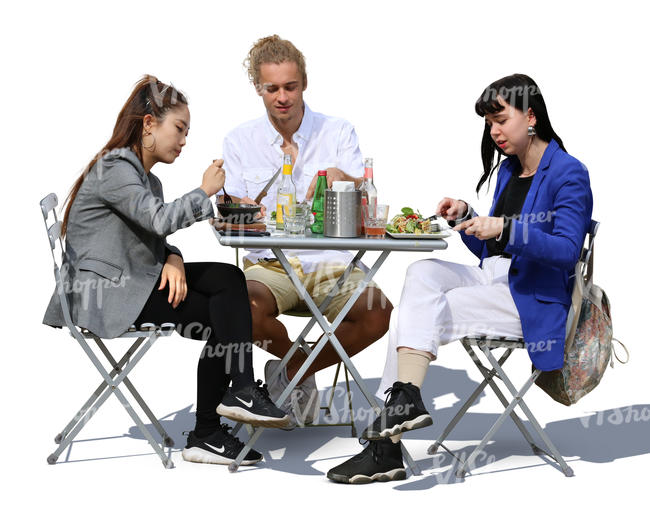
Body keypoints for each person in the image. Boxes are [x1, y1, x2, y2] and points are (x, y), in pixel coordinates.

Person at [327, 74, 593, 483]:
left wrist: (504, 229)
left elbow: (565, 251)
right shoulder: (509, 171)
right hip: (494, 279)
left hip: (531, 299)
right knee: (421, 273)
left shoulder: (569, 172)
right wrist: (468, 218)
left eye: (501, 119)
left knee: (413, 314)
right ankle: (405, 401)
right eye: (489, 123)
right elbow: (493, 251)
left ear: (532, 116)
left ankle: (387, 445)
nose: (494, 131)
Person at [42, 75, 290, 467]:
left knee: (229, 286)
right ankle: (217, 418)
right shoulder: (115, 168)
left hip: (132, 281)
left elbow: (152, 232)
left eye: (187, 132)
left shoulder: (145, 179)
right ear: (148, 124)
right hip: (107, 296)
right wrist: (204, 191)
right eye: (179, 128)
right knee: (226, 311)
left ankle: (226, 407)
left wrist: (173, 257)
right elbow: (157, 221)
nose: (184, 140)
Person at [220, 35, 393, 426]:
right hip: (270, 265)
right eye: (272, 88)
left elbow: (366, 193)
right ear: (258, 89)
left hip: (330, 263)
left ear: (304, 84)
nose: (282, 96)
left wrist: (344, 178)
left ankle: (292, 370)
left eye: (290, 86)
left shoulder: (337, 131)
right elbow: (232, 213)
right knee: (240, 310)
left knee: (377, 314)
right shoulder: (239, 140)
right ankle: (302, 368)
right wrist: (240, 209)